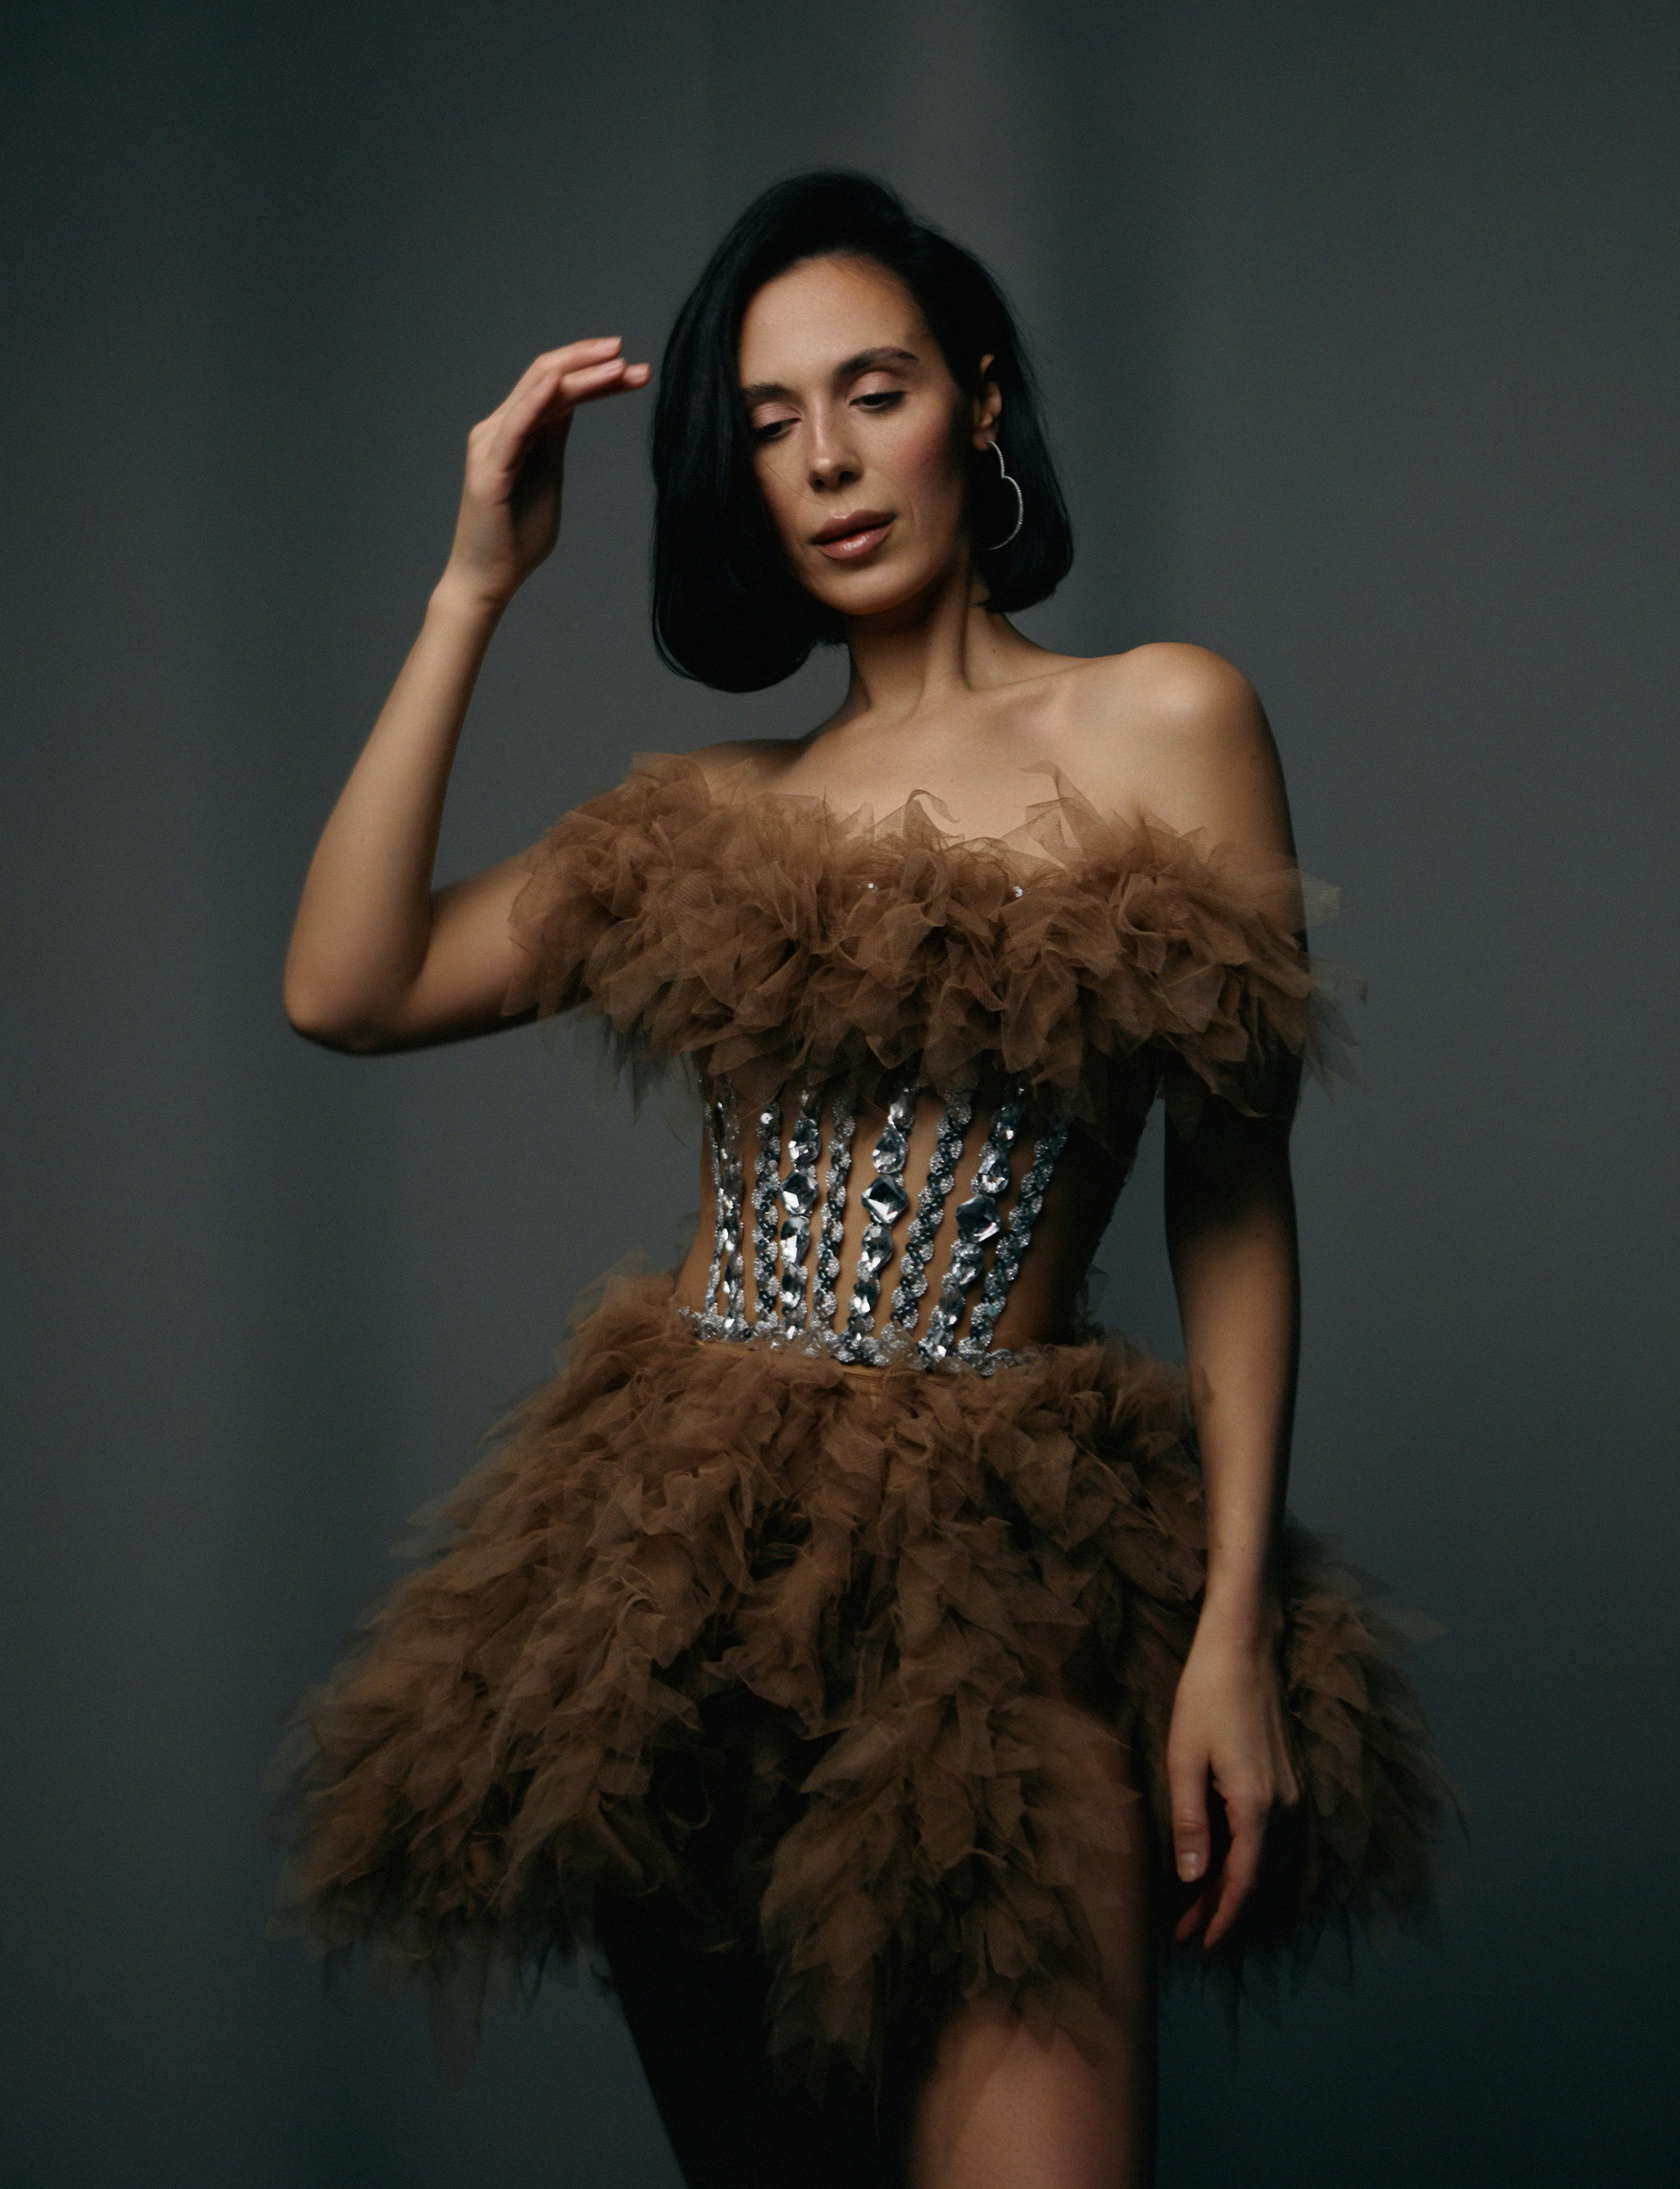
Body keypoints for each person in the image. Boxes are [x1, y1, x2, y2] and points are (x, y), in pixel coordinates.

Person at [276, 171, 1451, 2189]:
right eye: (768, 421)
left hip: (1014, 1585)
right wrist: (476, 585)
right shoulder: (713, 809)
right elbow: (348, 986)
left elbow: (1234, 1194)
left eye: (873, 390)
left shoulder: (1165, 717)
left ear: (976, 400)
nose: (825, 458)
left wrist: (1232, 1623)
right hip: (685, 1589)